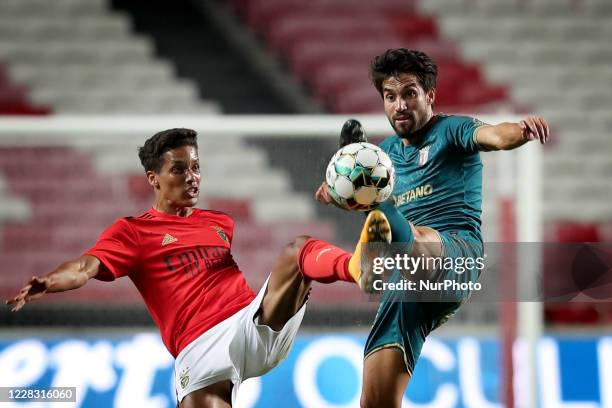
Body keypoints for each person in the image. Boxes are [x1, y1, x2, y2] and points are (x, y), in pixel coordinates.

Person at [5, 128, 392, 408]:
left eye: (196, 167)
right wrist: (51, 282)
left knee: (297, 250)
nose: (192, 177)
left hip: (252, 323)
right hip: (199, 349)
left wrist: (339, 192)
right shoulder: (134, 231)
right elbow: (85, 267)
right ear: (153, 179)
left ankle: (360, 267)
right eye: (179, 169)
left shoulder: (217, 221)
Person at [313, 48, 550, 407]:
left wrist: (520, 130)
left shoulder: (451, 130)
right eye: (390, 97)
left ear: (430, 96)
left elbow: (496, 136)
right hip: (407, 284)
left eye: (410, 93)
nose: (400, 105)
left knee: (411, 236)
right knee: (374, 401)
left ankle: (374, 239)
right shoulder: (385, 154)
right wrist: (336, 193)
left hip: (456, 254)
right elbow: (336, 192)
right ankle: (375, 236)